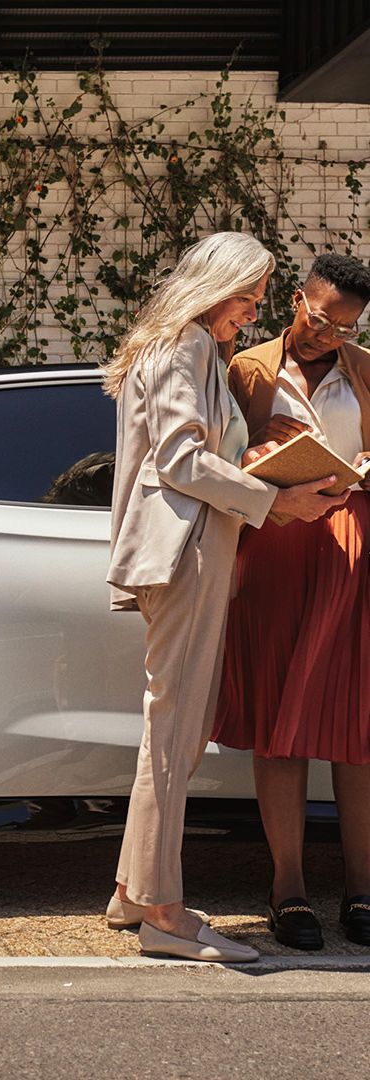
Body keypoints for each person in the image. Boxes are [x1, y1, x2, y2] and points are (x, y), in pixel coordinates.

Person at [103, 232, 347, 962]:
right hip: (187, 554)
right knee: (174, 734)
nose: (254, 310)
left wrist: (262, 460)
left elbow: (196, 455)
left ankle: (133, 892)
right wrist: (274, 502)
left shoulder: (188, 347)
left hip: (189, 551)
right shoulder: (184, 345)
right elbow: (180, 460)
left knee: (169, 730)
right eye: (248, 295)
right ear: (215, 286)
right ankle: (164, 915)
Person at [213, 252, 370, 951]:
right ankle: (288, 890)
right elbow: (214, 459)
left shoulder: (365, 370)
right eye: (321, 319)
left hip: (351, 551)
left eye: (345, 329)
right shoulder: (247, 370)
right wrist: (254, 458)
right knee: (278, 719)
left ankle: (362, 889)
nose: (328, 337)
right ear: (298, 301)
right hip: (274, 547)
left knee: (356, 725)